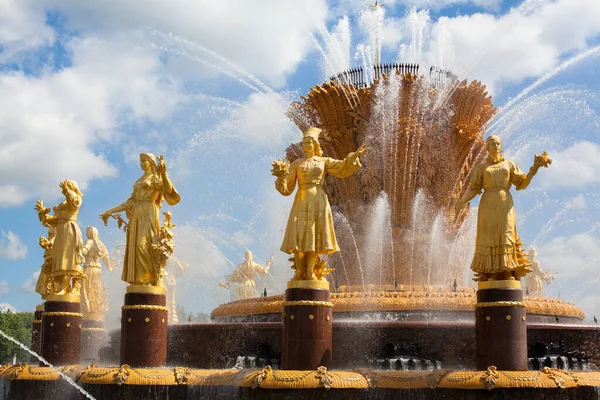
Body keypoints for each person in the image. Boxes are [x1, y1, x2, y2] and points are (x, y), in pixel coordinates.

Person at [272, 127, 367, 281]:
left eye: (309, 142)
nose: (306, 145)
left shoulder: (323, 161)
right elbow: (286, 189)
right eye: (304, 142)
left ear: (315, 144)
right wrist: (281, 177)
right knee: (299, 234)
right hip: (301, 199)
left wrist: (353, 156)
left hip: (318, 199)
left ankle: (309, 272)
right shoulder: (297, 164)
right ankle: (299, 271)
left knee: (314, 236)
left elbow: (341, 167)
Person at [456, 135, 550, 281]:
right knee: (490, 235)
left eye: (498, 143)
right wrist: (462, 201)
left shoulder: (509, 165)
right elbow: (474, 188)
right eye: (493, 143)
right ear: (487, 147)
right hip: (487, 203)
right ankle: (492, 272)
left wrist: (534, 169)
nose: (496, 145)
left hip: (505, 203)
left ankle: (507, 270)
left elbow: (521, 184)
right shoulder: (481, 167)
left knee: (506, 234)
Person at [100, 153, 180, 286]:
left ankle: (148, 278)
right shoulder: (139, 180)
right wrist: (110, 211)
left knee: (143, 245)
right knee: (135, 248)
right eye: (140, 161)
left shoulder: (156, 177)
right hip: (136, 213)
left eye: (144, 161)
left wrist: (164, 173)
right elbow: (129, 202)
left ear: (151, 162)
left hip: (149, 210)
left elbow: (169, 190)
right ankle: (138, 280)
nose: (142, 163)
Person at [36, 180, 85, 294]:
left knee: (67, 259)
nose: (63, 189)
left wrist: (68, 190)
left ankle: (65, 288)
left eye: (66, 186)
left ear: (71, 187)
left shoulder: (76, 197)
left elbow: (74, 204)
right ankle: (61, 287)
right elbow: (55, 220)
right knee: (59, 259)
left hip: (69, 228)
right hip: (61, 230)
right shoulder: (64, 201)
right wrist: (43, 213)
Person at [81, 226, 112, 315]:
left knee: (86, 287)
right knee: (96, 287)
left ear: (91, 233)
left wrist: (77, 246)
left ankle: (88, 309)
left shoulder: (89, 242)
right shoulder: (101, 244)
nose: (86, 233)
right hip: (98, 269)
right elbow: (106, 257)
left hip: (89, 267)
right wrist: (109, 267)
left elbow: (83, 252)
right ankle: (96, 308)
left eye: (88, 231)